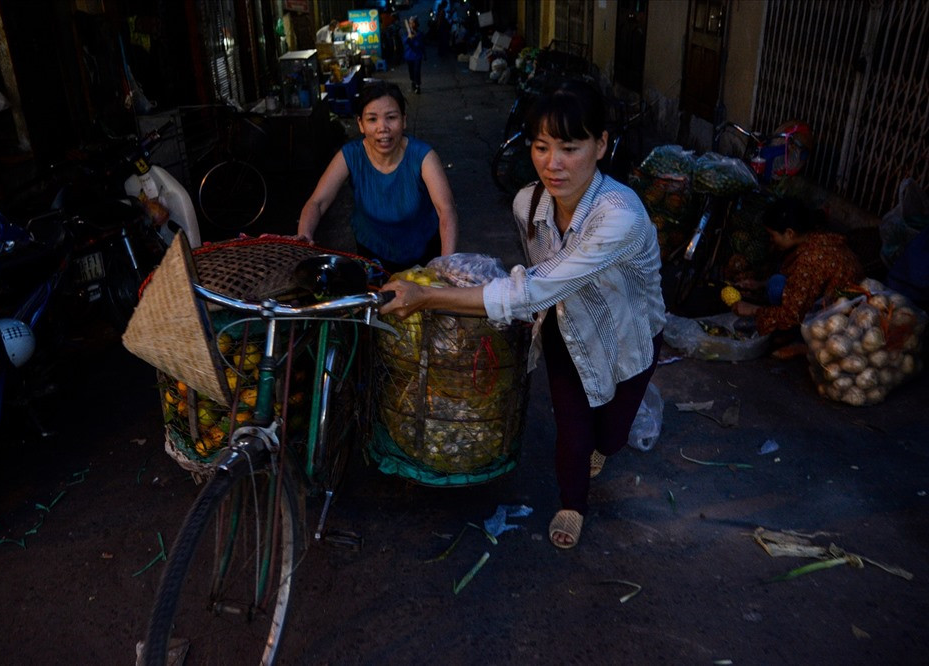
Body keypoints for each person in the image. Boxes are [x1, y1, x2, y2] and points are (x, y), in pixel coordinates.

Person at [380, 79, 666, 549]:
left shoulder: (621, 215)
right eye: (541, 146)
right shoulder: (526, 202)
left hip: (628, 337)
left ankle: (603, 445)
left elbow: (533, 285)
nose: (553, 164)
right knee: (572, 432)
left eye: (570, 148)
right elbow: (537, 275)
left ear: (601, 146)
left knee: (611, 437)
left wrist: (427, 297)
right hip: (565, 330)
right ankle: (573, 502)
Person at [295, 80, 458, 274]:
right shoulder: (350, 155)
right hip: (371, 253)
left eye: (391, 117)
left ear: (404, 120)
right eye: (372, 119)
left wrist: (447, 263)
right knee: (376, 301)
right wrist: (304, 235)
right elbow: (318, 202)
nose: (383, 127)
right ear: (360, 124)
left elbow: (446, 210)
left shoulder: (423, 156)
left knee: (420, 301)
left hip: (422, 251)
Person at [730, 198, 864, 345]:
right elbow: (799, 280)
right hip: (841, 301)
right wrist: (760, 284)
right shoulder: (817, 238)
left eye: (772, 235)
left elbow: (791, 314)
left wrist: (752, 310)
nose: (771, 241)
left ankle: (796, 339)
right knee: (774, 281)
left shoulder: (810, 260)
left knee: (776, 285)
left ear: (789, 233)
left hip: (837, 320)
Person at [403, 17, 426, 93]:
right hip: (409, 56)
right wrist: (409, 38)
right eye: (410, 23)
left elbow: (422, 45)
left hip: (417, 56)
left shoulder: (420, 34)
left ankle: (418, 86)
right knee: (411, 72)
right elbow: (404, 42)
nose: (412, 24)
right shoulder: (406, 34)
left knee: (417, 71)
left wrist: (425, 54)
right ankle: (413, 81)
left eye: (413, 23)